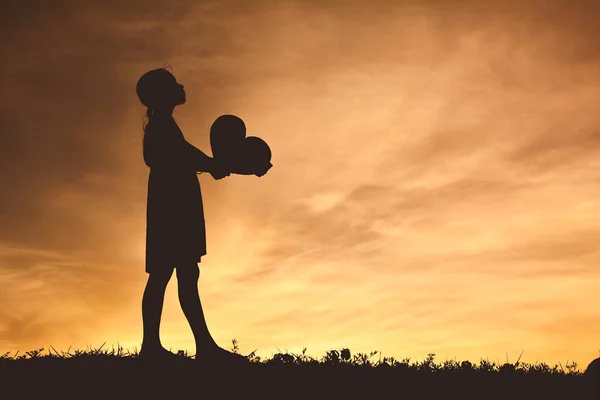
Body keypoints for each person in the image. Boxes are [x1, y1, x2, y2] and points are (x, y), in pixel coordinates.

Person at [135, 66, 248, 362]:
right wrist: (213, 165)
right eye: (173, 84)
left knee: (179, 273)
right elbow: (179, 155)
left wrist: (215, 165)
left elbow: (184, 153)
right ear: (161, 94)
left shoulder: (164, 125)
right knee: (170, 274)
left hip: (173, 203)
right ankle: (166, 348)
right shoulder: (162, 127)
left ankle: (173, 347)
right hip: (172, 206)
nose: (181, 86)